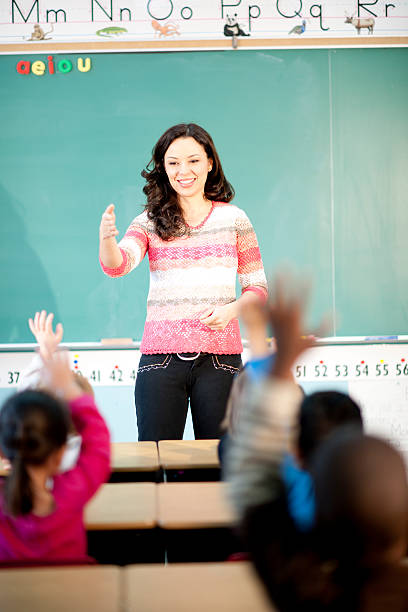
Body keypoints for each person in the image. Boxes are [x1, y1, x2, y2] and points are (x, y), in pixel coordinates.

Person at [99, 123, 267, 441]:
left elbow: (257, 289)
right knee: (157, 460)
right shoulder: (148, 221)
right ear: (163, 168)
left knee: (220, 462)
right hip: (160, 360)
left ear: (209, 163)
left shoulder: (234, 219)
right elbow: (118, 266)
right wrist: (107, 240)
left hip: (220, 359)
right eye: (173, 162)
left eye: (192, 160)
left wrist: (232, 311)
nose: (183, 170)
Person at [0, 350, 110, 562]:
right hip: (71, 593)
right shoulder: (73, 491)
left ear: (3, 451)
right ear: (61, 452)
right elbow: (98, 442)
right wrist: (68, 389)